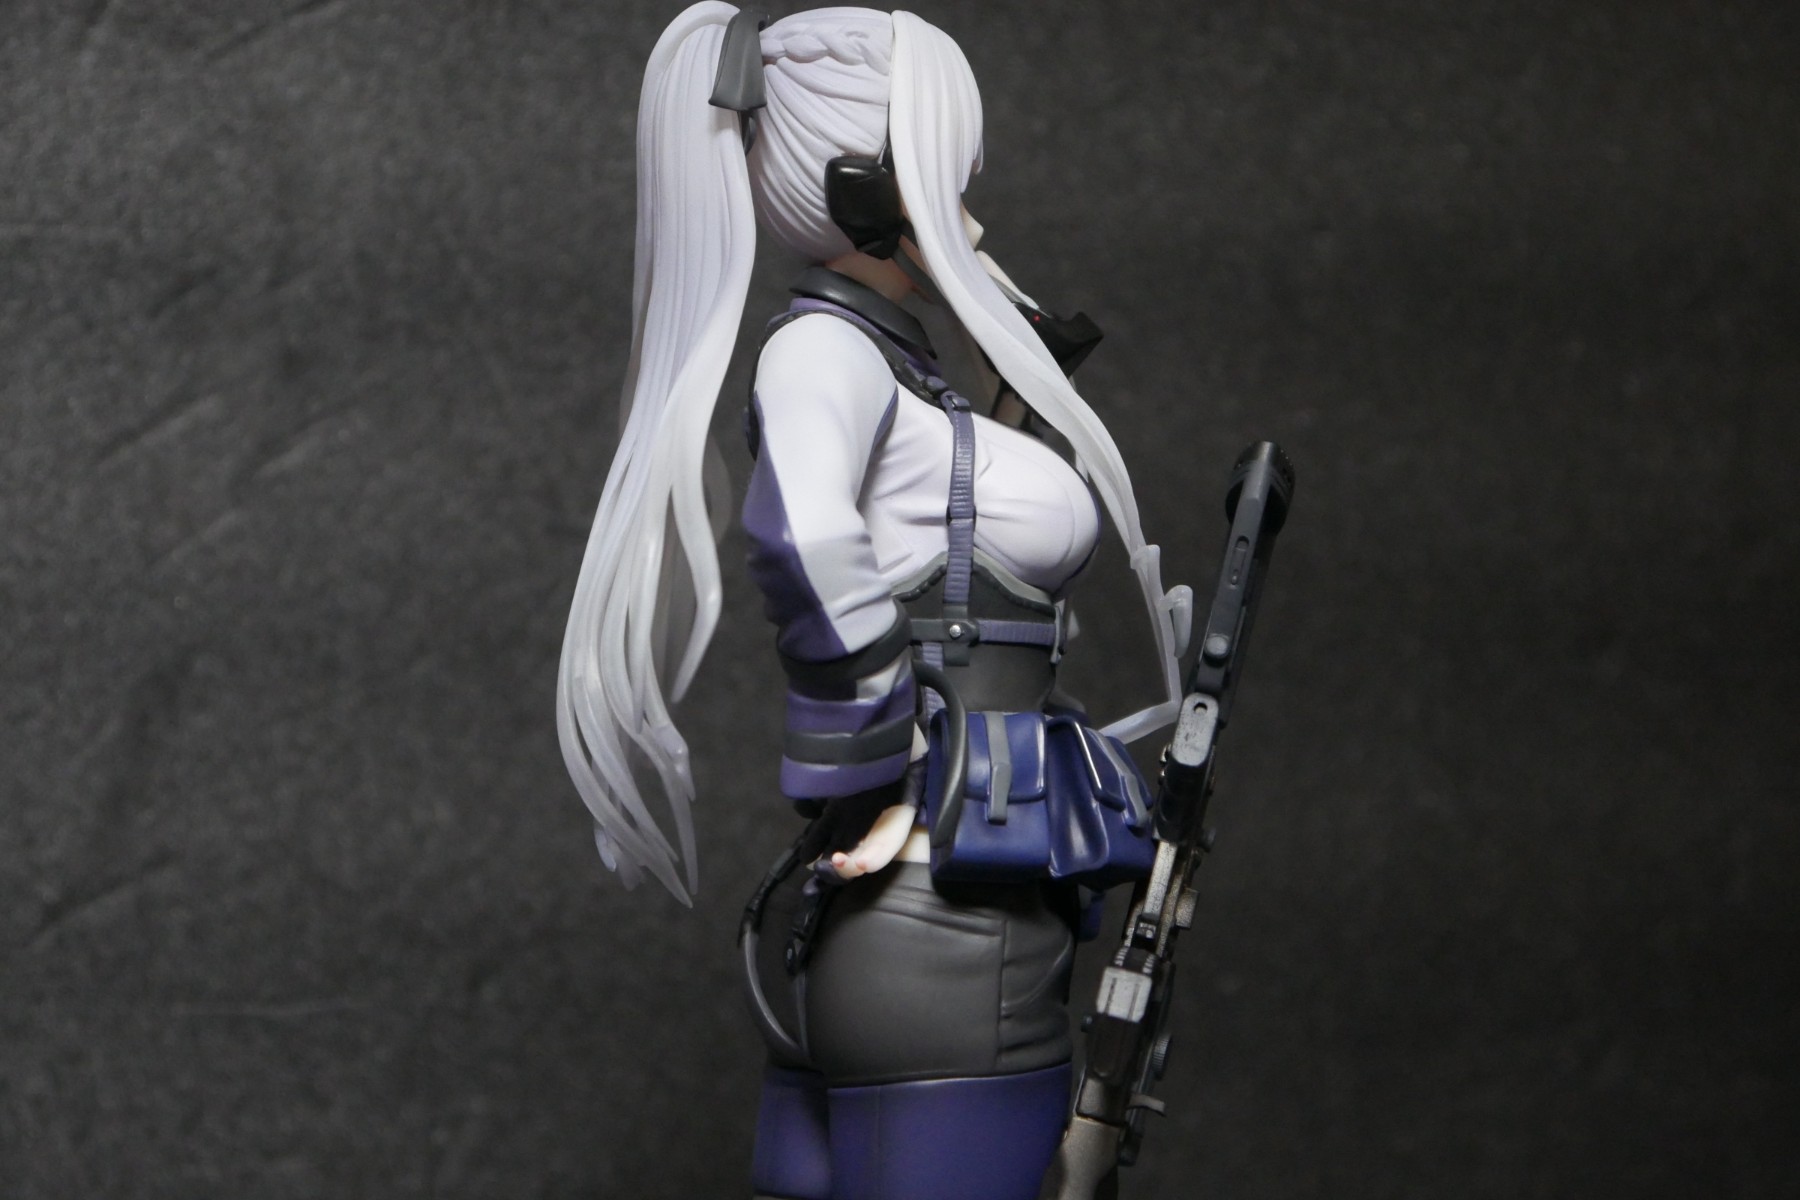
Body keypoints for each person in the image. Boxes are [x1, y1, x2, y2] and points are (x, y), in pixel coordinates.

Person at [556, 6, 1192, 1198]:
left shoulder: (894, 372)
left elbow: (923, 544)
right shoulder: (824, 354)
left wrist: (1009, 399)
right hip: (950, 928)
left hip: (925, 918)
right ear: (865, 195)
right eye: (949, 189)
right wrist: (873, 773)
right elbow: (802, 536)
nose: (973, 223)